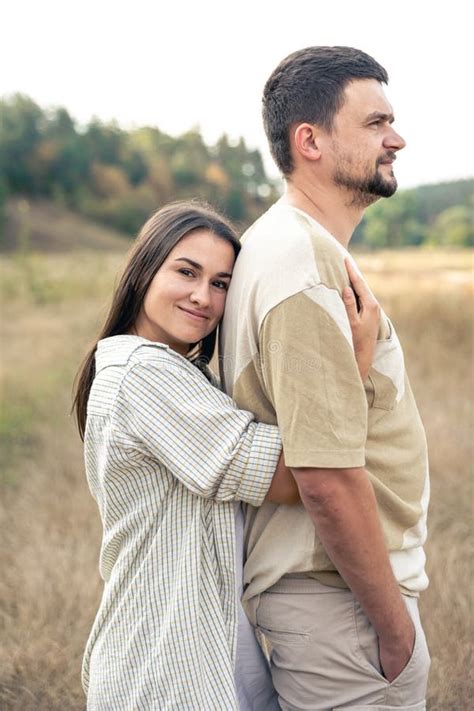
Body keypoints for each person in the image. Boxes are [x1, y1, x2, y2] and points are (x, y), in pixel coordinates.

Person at [73, 200, 379, 710]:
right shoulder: (142, 375)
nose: (203, 296)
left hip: (195, 649)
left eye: (220, 283)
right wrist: (355, 363)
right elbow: (294, 475)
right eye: (186, 272)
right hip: (161, 666)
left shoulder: (172, 371)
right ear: (144, 269)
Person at [221, 46, 431, 710]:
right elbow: (326, 473)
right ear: (308, 140)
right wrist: (393, 630)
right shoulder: (300, 259)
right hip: (342, 611)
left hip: (334, 604)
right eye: (375, 123)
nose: (396, 138)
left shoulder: (285, 246)